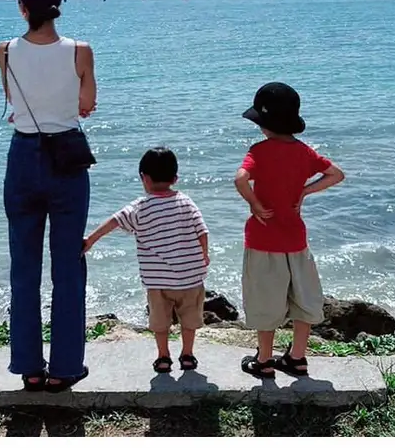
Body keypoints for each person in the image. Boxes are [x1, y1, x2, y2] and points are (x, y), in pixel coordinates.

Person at [0, 0, 97, 392]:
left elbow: (12, 100)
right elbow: (87, 103)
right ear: (60, 2)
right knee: (68, 266)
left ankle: (29, 366)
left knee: (24, 267)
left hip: (23, 157)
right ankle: (64, 368)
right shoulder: (80, 51)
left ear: (22, 7)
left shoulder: (5, 51)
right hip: (66, 156)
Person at [234, 82, 345, 379]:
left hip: (262, 240)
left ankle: (264, 361)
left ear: (264, 123)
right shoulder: (304, 152)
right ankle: (297, 358)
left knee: (266, 301)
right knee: (303, 299)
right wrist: (305, 191)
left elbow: (240, 179)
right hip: (295, 240)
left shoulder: (259, 151)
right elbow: (336, 174)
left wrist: (255, 204)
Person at [84, 147, 209, 372]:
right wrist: (204, 255)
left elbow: (114, 222)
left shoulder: (140, 207)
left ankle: (163, 357)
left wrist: (90, 240)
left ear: (144, 178)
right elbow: (202, 231)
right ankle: (187, 355)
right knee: (189, 320)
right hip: (190, 278)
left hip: (158, 281)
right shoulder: (186, 202)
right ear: (175, 178)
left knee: (160, 323)